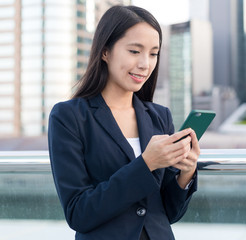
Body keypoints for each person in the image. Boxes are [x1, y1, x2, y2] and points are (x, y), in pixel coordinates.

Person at [48, 5, 200, 240]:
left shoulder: (160, 116)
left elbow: (169, 212)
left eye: (153, 53)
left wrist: (186, 172)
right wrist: (146, 164)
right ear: (105, 51)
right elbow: (78, 213)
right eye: (134, 51)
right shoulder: (69, 117)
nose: (145, 64)